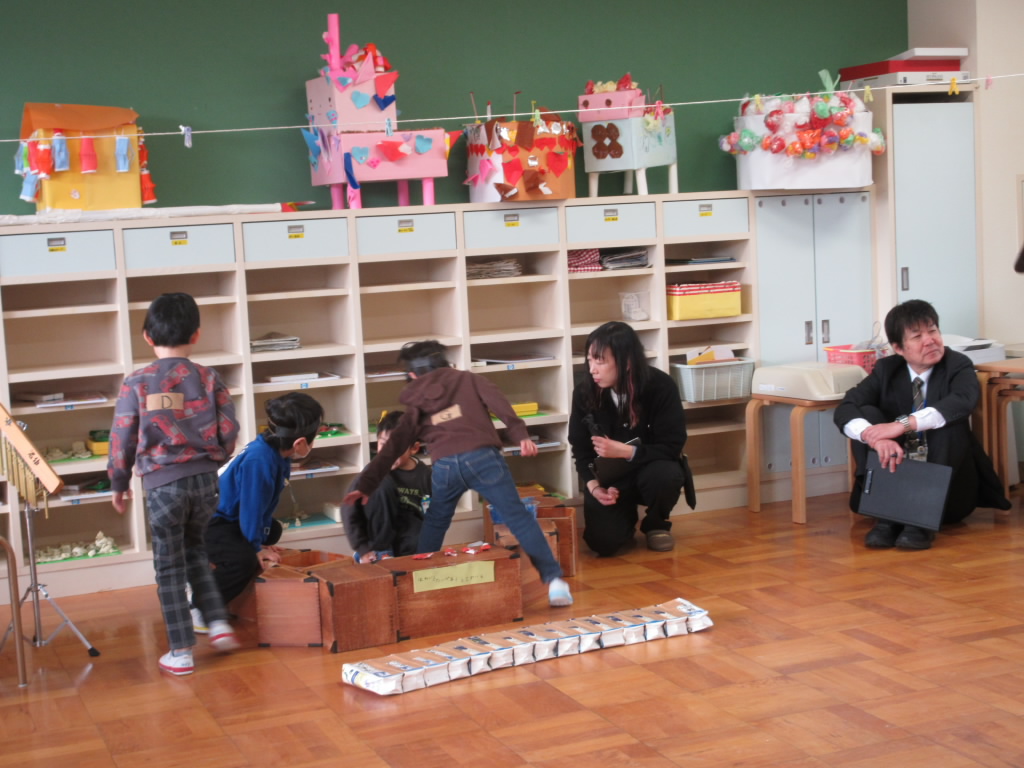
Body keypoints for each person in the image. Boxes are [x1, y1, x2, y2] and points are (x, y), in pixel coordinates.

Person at [343, 340, 573, 607]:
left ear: (413, 375)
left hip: (445, 467)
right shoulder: (469, 379)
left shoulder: (417, 402)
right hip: (484, 459)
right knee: (518, 518)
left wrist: (366, 484)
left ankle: (417, 581)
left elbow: (393, 446)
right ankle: (555, 582)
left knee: (436, 521)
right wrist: (520, 435)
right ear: (445, 363)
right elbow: (498, 402)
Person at [108, 292, 241, 676]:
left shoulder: (137, 382)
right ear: (196, 335)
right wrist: (214, 459)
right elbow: (229, 428)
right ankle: (217, 622)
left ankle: (181, 650)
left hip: (162, 485)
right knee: (196, 550)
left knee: (169, 566)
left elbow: (122, 435)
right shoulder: (208, 377)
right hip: (205, 481)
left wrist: (119, 481)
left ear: (147, 336)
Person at [835, 299, 1010, 550]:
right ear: (898, 348)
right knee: (867, 414)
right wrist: (875, 436)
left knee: (947, 421)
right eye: (917, 336)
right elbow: (847, 406)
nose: (930, 340)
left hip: (946, 494)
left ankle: (919, 522)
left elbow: (962, 401)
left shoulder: (957, 364)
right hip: (894, 480)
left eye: (933, 331)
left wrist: (903, 425)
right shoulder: (886, 369)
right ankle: (887, 518)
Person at [198, 392, 324, 629]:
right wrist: (255, 548)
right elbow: (251, 510)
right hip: (209, 522)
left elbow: (265, 505)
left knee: (272, 530)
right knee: (243, 562)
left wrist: (261, 540)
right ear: (300, 443)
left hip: (230, 517)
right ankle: (199, 606)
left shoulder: (277, 452)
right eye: (315, 437)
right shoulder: (260, 461)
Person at [568, 321, 693, 557]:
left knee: (666, 474)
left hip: (651, 469)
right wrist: (595, 488)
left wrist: (626, 452)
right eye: (589, 360)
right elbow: (580, 448)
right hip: (610, 479)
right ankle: (624, 521)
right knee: (603, 544)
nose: (592, 369)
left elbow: (672, 445)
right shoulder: (585, 392)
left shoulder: (660, 386)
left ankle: (656, 524)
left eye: (600, 361)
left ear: (626, 362)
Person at [342, 410, 432, 562]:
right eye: (383, 444)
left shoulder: (426, 475)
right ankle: (379, 552)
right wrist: (363, 548)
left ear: (414, 448)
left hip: (409, 543)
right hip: (378, 542)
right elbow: (348, 510)